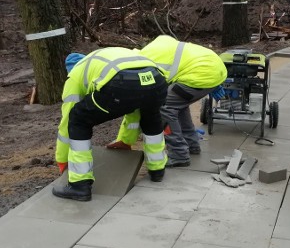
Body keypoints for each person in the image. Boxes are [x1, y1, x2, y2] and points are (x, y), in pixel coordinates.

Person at [53, 48, 168, 201]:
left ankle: (79, 185)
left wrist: (62, 159)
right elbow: (133, 109)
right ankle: (157, 169)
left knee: (78, 118)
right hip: (156, 79)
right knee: (149, 115)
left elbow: (67, 121)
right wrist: (125, 141)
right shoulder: (104, 58)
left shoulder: (75, 76)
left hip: (122, 81)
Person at [107, 35, 227, 167]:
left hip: (201, 73)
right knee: (177, 103)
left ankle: (179, 154)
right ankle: (191, 144)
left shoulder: (143, 67)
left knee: (165, 107)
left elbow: (137, 108)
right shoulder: (152, 50)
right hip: (214, 68)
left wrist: (124, 139)